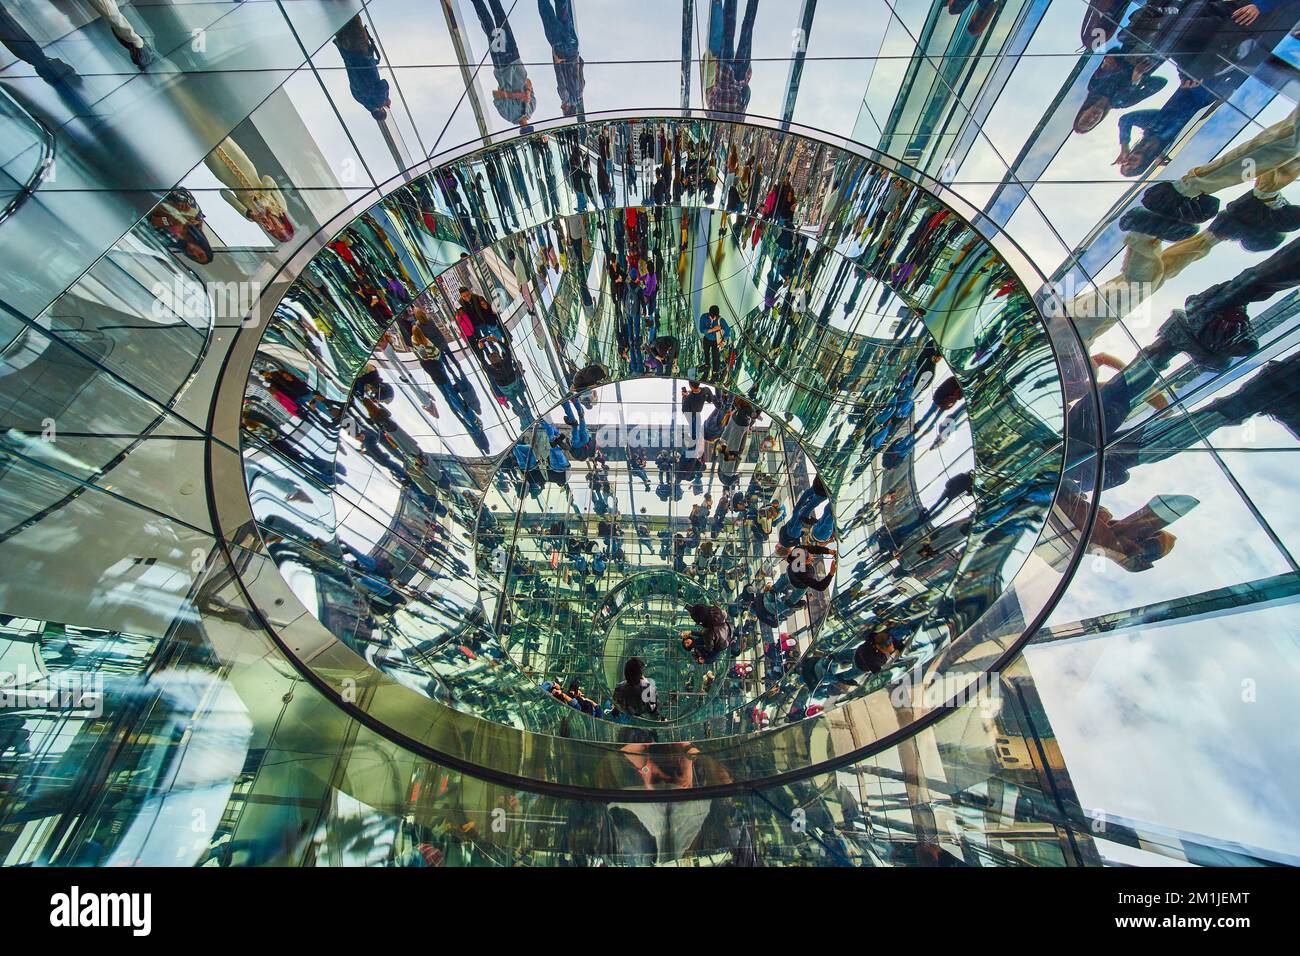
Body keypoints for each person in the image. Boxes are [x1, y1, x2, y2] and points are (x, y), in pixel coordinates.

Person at [469, 0, 535, 129]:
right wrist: (527, 92)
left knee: (489, 26)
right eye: (528, 126)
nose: (525, 125)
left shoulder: (509, 116)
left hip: (502, 67)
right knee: (502, 21)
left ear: (521, 128)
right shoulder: (532, 107)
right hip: (516, 61)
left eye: (524, 128)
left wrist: (515, 95)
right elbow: (528, 81)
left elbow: (495, 95)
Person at [333, 15, 391, 119]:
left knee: (349, 15)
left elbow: (384, 84)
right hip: (347, 53)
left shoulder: (379, 101)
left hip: (362, 53)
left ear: (382, 110)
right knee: (336, 18)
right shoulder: (359, 98)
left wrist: (386, 99)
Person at [537, 0, 584, 117]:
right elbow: (561, 79)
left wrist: (575, 56)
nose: (561, 105)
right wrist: (556, 60)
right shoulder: (565, 97)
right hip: (560, 50)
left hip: (573, 47)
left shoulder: (580, 93)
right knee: (546, 12)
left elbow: (581, 66)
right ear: (567, 108)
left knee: (563, 9)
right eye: (563, 108)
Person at [696, 304, 731, 380]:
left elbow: (728, 331)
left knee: (715, 356)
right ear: (709, 314)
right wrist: (713, 329)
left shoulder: (720, 320)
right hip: (707, 339)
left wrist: (723, 341)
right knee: (706, 352)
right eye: (712, 316)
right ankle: (707, 365)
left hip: (716, 341)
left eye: (715, 317)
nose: (714, 318)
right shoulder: (704, 317)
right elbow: (701, 330)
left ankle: (715, 372)